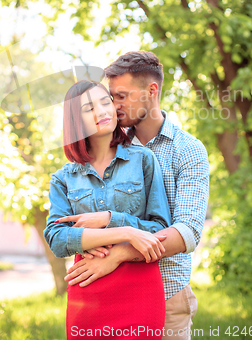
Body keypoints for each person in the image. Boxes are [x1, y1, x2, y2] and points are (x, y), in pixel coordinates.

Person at [65, 52, 210, 340]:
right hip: (105, 292)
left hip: (167, 295)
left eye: (121, 96)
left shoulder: (188, 150)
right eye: (111, 97)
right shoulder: (106, 144)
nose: (113, 106)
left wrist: (118, 255)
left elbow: (188, 231)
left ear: (151, 91)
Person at [44, 79, 172, 339]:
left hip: (140, 288)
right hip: (88, 287)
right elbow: (57, 239)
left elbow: (160, 229)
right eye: (89, 108)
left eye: (106, 102)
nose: (102, 111)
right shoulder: (63, 178)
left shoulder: (143, 159)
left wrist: (109, 219)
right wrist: (124, 232)